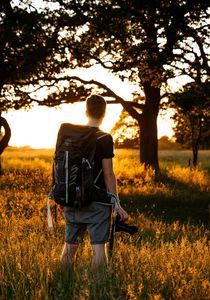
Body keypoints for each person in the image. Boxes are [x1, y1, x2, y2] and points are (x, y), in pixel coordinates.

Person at [59, 94, 129, 272]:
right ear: (104, 114)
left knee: (69, 248)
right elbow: (108, 174)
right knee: (99, 249)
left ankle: (62, 283)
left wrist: (63, 195)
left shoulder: (71, 135)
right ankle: (97, 289)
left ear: (86, 111)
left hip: (72, 199)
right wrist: (117, 204)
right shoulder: (105, 138)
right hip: (97, 202)